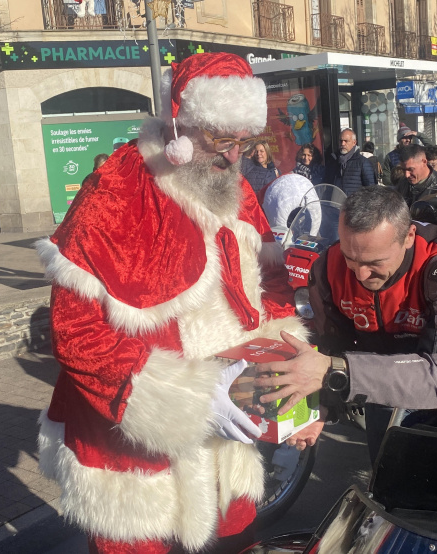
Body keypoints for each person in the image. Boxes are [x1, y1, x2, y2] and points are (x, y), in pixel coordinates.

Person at [35, 53, 308, 554]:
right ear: (180, 126)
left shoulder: (238, 188)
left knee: (235, 540)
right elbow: (77, 333)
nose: (233, 156)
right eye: (220, 140)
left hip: (226, 443)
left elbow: (273, 290)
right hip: (136, 450)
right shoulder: (114, 190)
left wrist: (295, 388)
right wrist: (193, 401)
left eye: (244, 141)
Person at [252, 186, 437, 466]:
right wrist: (322, 408)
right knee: (385, 467)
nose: (361, 274)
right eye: (351, 258)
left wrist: (335, 370)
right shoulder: (329, 266)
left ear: (409, 237)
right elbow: (331, 344)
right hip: (375, 376)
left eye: (375, 262)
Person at [325, 128, 376, 195]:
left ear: (354, 142)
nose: (343, 144)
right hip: (336, 203)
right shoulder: (334, 161)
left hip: (354, 204)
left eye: (346, 141)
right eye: (341, 141)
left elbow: (371, 189)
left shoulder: (363, 162)